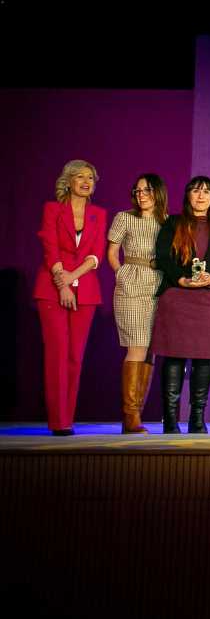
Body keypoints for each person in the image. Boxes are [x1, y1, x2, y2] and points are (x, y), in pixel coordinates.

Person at [150, 176, 210, 434]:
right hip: (177, 296)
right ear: (188, 196)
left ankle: (197, 418)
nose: (201, 196)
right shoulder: (173, 223)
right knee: (174, 357)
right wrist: (182, 279)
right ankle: (171, 420)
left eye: (206, 191)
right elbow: (162, 258)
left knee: (204, 359)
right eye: (196, 191)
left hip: (209, 299)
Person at [34, 160, 107, 435]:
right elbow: (49, 247)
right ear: (69, 181)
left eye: (91, 177)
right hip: (52, 288)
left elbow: (96, 254)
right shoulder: (52, 209)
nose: (86, 181)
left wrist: (73, 277)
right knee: (57, 355)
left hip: (85, 290)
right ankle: (58, 421)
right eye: (80, 177)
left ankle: (69, 419)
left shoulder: (98, 214)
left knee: (75, 357)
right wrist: (62, 282)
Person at [106, 173, 165, 434]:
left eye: (147, 190)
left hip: (158, 285)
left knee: (151, 350)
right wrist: (121, 273)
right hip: (131, 283)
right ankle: (130, 416)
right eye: (138, 190)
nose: (142, 195)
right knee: (137, 347)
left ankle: (136, 412)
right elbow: (111, 251)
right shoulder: (124, 217)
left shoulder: (167, 222)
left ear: (158, 193)